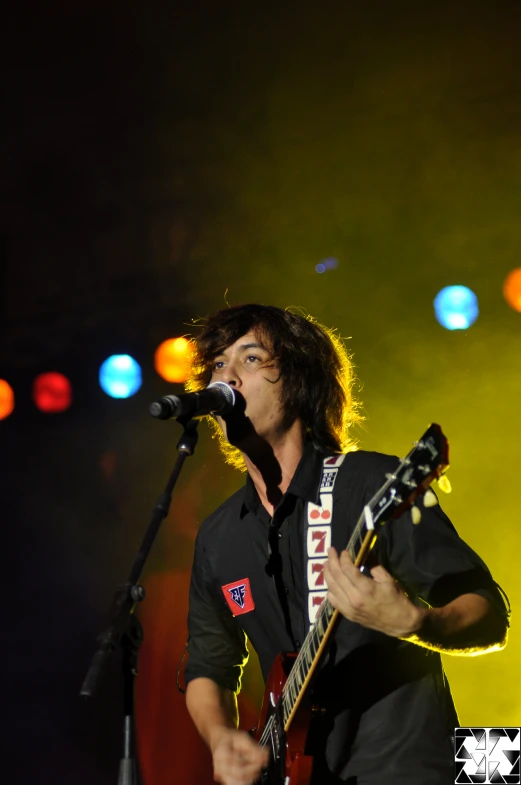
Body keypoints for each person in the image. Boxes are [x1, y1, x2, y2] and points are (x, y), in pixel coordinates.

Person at [183, 304, 510, 785]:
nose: (226, 376)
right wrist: (220, 737)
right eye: (217, 364)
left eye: (250, 359)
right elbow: (207, 665)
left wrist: (419, 623)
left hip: (409, 766)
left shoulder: (372, 483)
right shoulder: (219, 536)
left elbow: (490, 612)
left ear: (299, 379)